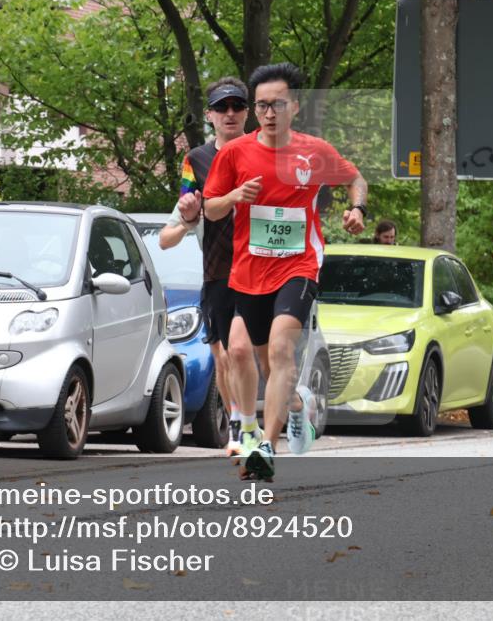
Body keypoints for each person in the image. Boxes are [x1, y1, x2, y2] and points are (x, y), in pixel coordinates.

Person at [204, 62, 368, 480]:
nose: (269, 113)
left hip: (300, 264)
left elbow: (355, 179)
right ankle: (298, 406)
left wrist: (357, 208)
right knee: (263, 360)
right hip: (250, 271)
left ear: (295, 105)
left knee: (280, 351)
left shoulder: (315, 151)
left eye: (278, 104)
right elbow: (210, 207)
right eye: (262, 106)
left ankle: (265, 447)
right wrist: (236, 195)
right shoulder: (234, 153)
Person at [158, 77, 260, 458]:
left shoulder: (265, 152)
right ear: (210, 116)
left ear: (247, 112)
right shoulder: (196, 161)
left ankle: (259, 418)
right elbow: (169, 235)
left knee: (245, 351)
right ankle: (238, 422)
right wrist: (187, 218)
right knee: (223, 355)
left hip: (261, 272)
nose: (230, 113)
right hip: (217, 272)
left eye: (237, 106)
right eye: (222, 107)